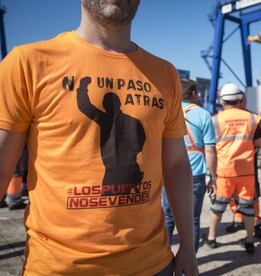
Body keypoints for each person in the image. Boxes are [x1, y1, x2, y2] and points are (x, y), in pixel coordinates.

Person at [0, 1, 198, 275]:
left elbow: (176, 164)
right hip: (59, 267)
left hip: (152, 264)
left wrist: (188, 246)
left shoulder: (165, 74)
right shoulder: (28, 63)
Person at [206, 83, 261, 254]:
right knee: (248, 209)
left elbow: (210, 147)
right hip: (246, 171)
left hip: (224, 171)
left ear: (222, 101)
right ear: (240, 99)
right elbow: (260, 140)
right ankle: (249, 241)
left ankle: (211, 238)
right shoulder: (253, 118)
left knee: (218, 207)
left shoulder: (215, 120)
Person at [162, 79, 217, 253]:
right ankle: (189, 266)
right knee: (191, 219)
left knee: (168, 217)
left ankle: (163, 263)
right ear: (194, 94)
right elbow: (210, 150)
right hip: (195, 174)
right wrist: (213, 176)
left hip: (169, 172)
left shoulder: (166, 111)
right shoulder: (203, 114)